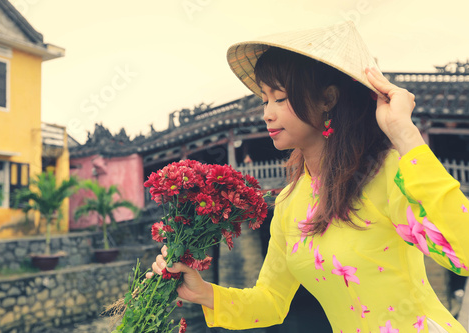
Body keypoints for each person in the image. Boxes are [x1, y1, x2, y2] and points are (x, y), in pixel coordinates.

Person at [146, 21, 469, 332]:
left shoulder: (386, 174)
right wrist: (203, 292)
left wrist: (404, 133)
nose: (266, 113)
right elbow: (271, 301)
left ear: (327, 99)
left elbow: (464, 251)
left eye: (280, 98)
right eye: (265, 99)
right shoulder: (289, 204)